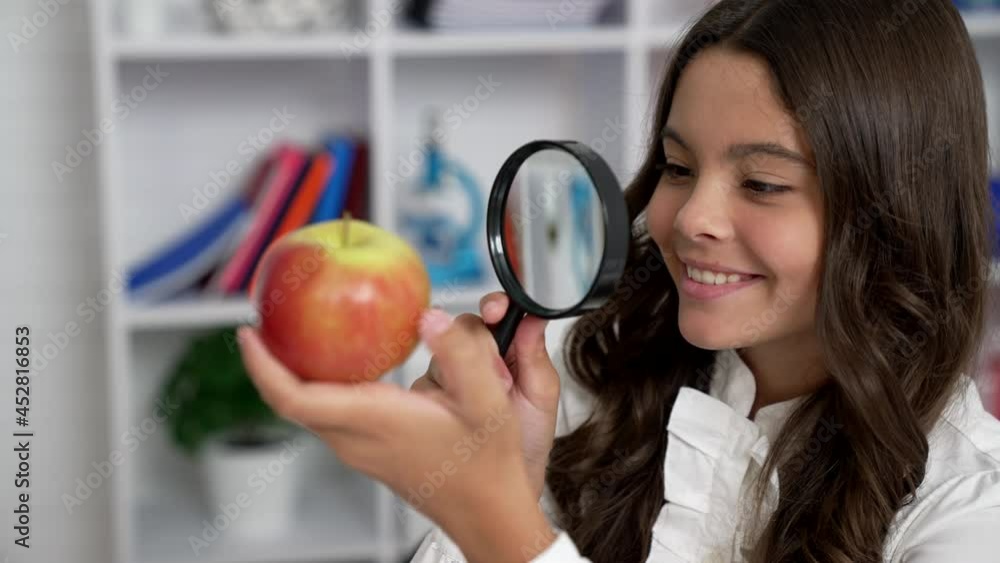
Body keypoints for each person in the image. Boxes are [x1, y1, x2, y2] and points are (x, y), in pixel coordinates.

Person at [236, 0, 1000, 561]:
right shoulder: (596, 370)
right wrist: (514, 479)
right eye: (676, 166)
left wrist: (498, 522)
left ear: (893, 211)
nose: (690, 216)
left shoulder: (971, 513)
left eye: (763, 183)